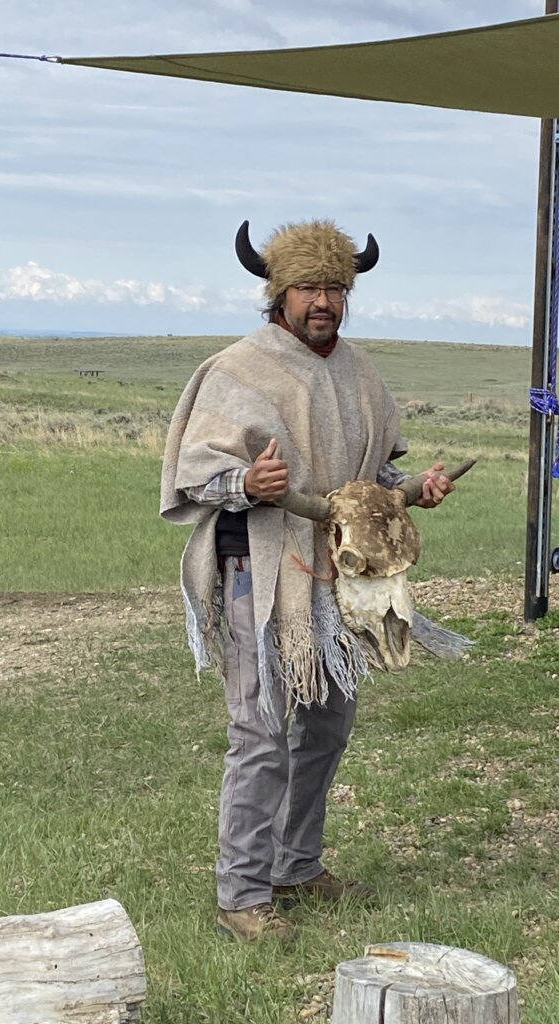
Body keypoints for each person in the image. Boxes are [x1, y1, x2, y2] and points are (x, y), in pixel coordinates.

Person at [160, 219, 455, 941]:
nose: (323, 300)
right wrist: (245, 480)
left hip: (337, 574)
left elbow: (374, 476)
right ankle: (242, 895)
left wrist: (415, 485)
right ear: (278, 292)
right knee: (259, 729)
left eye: (336, 287)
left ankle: (297, 864)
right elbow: (198, 474)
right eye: (309, 287)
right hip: (255, 571)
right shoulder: (238, 370)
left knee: (327, 721)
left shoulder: (358, 372)